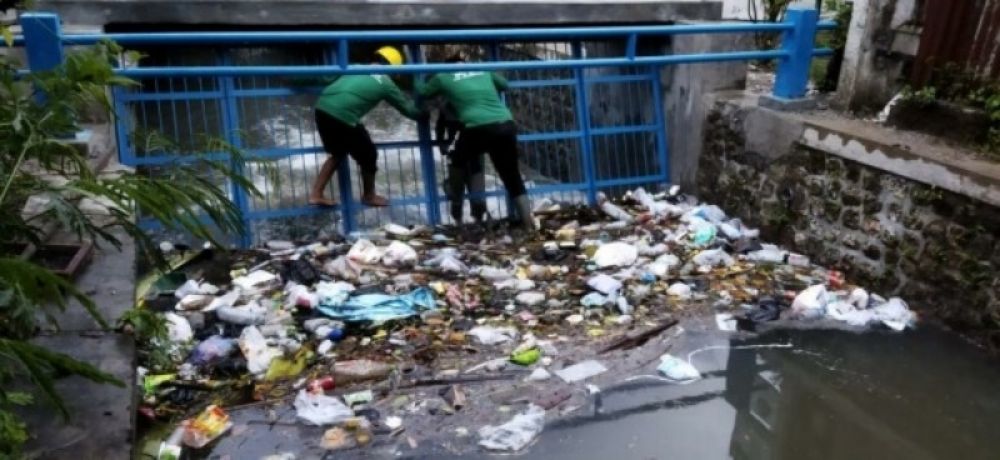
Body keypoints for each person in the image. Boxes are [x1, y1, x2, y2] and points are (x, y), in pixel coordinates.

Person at [418, 57, 535, 230]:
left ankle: (456, 198)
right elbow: (504, 84)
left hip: (476, 128)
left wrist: (412, 75)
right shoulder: (482, 69)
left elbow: (423, 92)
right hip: (505, 124)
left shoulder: (443, 76)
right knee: (512, 176)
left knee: (455, 160)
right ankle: (529, 226)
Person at [309, 46, 423, 208]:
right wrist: (425, 112)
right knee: (369, 155)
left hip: (322, 108)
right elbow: (409, 110)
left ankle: (316, 194)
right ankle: (369, 196)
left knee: (337, 153)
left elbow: (327, 79)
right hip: (343, 116)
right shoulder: (386, 83)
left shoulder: (355, 67)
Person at [435, 101, 488, 224]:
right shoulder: (449, 107)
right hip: (460, 152)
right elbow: (440, 127)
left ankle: (475, 220)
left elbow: (440, 127)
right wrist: (442, 144)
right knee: (460, 189)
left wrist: (442, 144)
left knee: (473, 189)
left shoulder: (448, 107)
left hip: (468, 152)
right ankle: (461, 221)